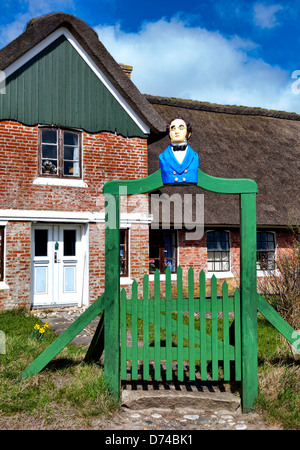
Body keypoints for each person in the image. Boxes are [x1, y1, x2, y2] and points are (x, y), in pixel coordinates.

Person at [159, 116, 199, 184]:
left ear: (188, 134)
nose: (177, 132)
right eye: (173, 129)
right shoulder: (162, 157)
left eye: (181, 128)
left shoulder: (194, 156)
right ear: (169, 134)